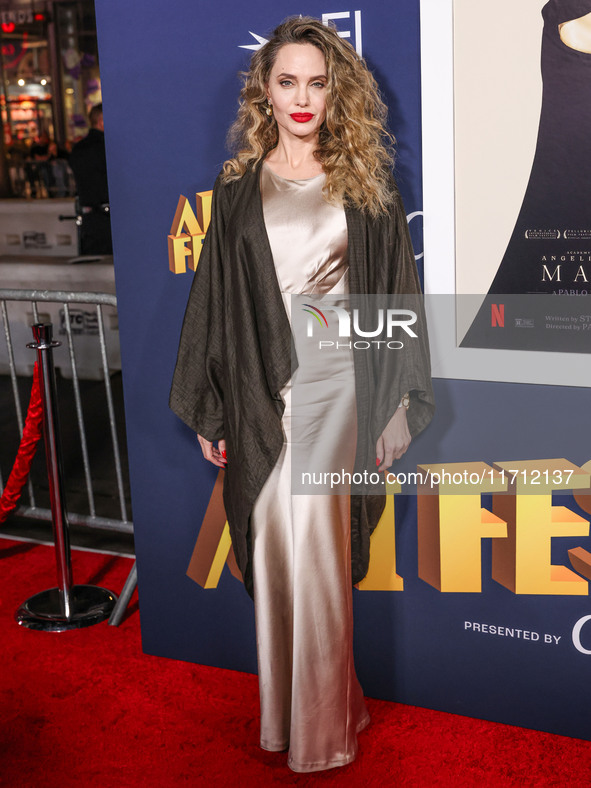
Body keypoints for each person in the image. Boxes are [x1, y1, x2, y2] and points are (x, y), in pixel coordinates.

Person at [170, 17, 434, 773]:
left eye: (317, 82)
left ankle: (321, 738)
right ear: (263, 90)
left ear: (335, 91)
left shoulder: (365, 187)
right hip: (261, 388)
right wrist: (214, 404)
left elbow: (395, 301)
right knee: (277, 549)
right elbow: (215, 305)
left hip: (340, 389)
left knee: (314, 547)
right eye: (287, 81)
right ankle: (313, 711)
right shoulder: (234, 190)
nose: (302, 97)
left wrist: (393, 406)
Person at [69, 103, 113, 255]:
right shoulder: (109, 147)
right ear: (101, 121)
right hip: (111, 220)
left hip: (89, 221)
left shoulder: (78, 149)